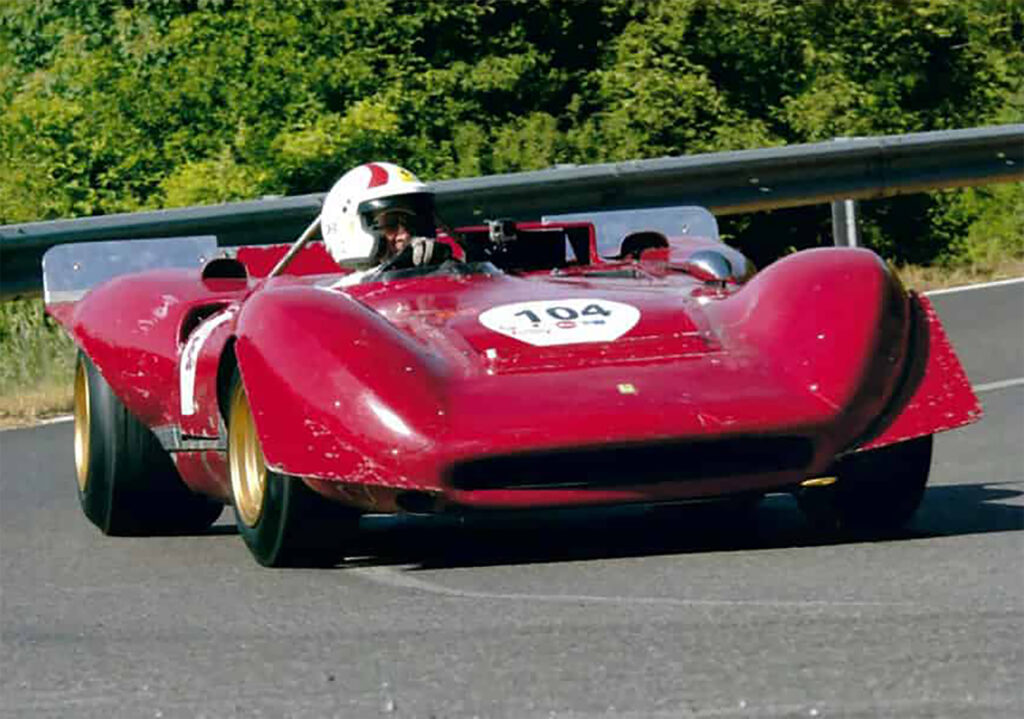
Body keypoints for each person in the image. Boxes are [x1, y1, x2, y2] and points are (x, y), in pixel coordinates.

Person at [320, 162, 452, 285]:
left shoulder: (448, 276)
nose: (405, 235)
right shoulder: (342, 296)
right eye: (390, 224)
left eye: (413, 222)